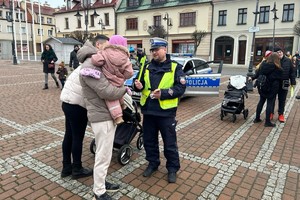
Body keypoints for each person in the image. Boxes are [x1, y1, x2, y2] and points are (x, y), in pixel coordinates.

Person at [79, 35, 128, 200]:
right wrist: (124, 90)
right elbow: (107, 92)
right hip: (101, 116)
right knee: (103, 155)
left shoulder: (96, 64)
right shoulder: (88, 67)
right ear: (97, 47)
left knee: (104, 153)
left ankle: (102, 182)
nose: (109, 52)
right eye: (107, 48)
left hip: (105, 115)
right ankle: (99, 191)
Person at [133, 37, 186, 183]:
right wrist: (137, 85)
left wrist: (162, 93)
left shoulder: (176, 67)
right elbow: (139, 83)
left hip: (166, 113)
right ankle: (153, 163)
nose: (154, 53)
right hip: (148, 111)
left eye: (156, 50)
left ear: (165, 49)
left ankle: (172, 169)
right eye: (152, 50)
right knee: (149, 141)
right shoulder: (147, 65)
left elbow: (180, 88)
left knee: (169, 143)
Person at [88, 35, 133, 125]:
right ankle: (123, 105)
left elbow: (97, 61)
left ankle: (118, 117)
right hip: (119, 82)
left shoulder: (104, 53)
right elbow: (129, 73)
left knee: (111, 100)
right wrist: (122, 75)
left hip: (108, 80)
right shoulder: (125, 57)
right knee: (119, 94)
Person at [60, 63, 92, 180]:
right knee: (77, 137)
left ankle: (66, 167)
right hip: (77, 105)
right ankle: (77, 169)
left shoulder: (83, 65)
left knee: (69, 135)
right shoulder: (92, 67)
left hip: (67, 102)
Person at [253, 53, 283, 127]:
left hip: (262, 86)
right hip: (272, 88)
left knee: (261, 101)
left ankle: (257, 118)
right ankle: (267, 121)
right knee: (270, 103)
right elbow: (280, 78)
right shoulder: (278, 68)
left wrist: (253, 78)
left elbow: (258, 73)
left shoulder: (263, 64)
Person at [271, 46, 296, 122]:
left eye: (280, 51)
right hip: (274, 83)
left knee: (282, 100)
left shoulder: (288, 60)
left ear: (282, 52)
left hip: (284, 83)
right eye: (277, 52)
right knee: (272, 99)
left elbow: (292, 72)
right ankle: (271, 113)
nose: (279, 53)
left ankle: (281, 114)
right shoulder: (273, 60)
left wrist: (293, 82)